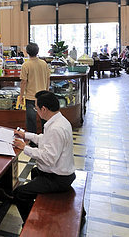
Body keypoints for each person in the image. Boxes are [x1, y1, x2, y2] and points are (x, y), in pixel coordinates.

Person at [12, 90, 76, 223]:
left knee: (19, 193)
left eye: (37, 108)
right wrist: (26, 135)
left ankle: (32, 224)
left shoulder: (55, 129)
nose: (37, 111)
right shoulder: (59, 121)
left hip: (59, 178)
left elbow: (48, 158)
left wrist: (25, 148)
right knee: (35, 172)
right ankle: (38, 208)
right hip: (60, 173)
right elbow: (44, 139)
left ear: (44, 109)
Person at [20, 43, 50, 136]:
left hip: (31, 97)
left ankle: (33, 142)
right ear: (38, 51)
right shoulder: (43, 63)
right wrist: (47, 91)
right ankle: (46, 138)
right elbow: (48, 78)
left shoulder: (26, 65)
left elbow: (23, 82)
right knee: (45, 120)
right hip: (43, 96)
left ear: (27, 52)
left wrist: (21, 96)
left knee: (31, 121)